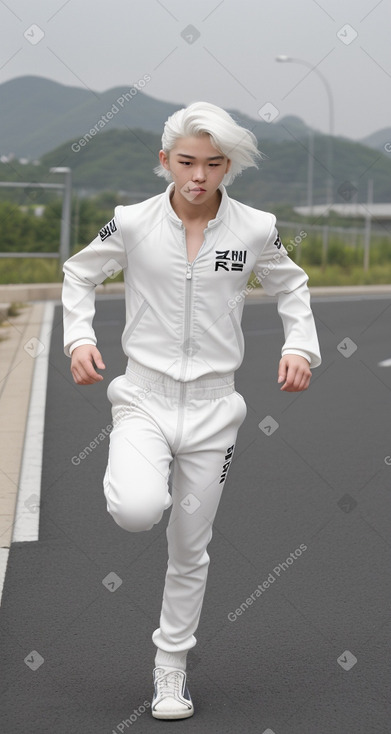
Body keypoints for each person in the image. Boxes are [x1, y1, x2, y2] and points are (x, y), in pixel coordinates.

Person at [62, 101, 321, 720]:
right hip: (143, 399)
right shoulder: (130, 222)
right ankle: (134, 477)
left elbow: (292, 285)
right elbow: (79, 275)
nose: (199, 176)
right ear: (165, 162)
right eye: (186, 162)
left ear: (227, 166)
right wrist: (79, 338)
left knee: (189, 548)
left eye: (212, 164)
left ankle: (169, 670)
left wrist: (301, 347)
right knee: (137, 509)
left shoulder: (255, 229)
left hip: (213, 412)